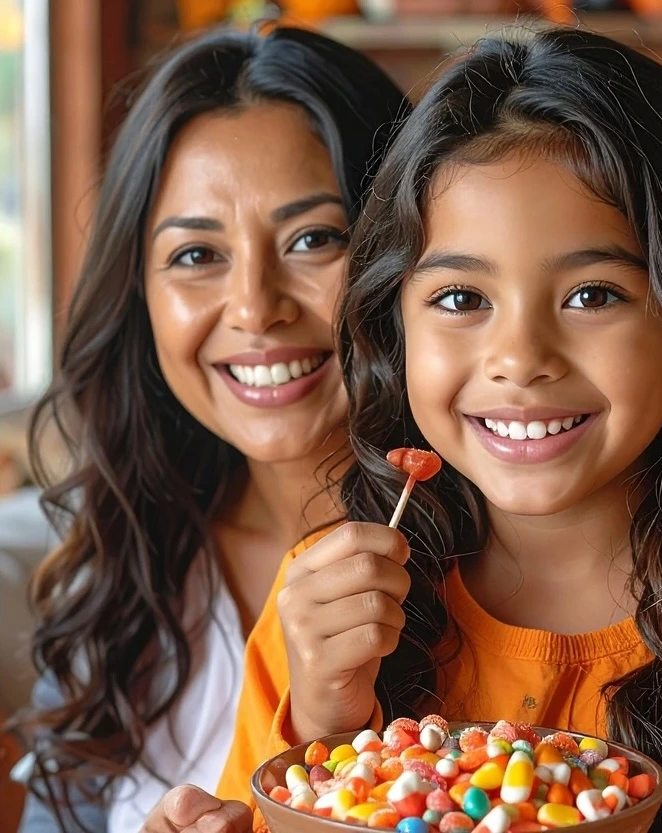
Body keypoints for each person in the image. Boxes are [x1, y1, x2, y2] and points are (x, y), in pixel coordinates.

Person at [211, 27, 662, 833]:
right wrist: (324, 723)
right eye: (462, 299)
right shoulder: (329, 606)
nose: (520, 359)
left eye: (592, 295)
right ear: (395, 325)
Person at [11, 25, 409, 833]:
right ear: (139, 296)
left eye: (313, 239)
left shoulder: (505, 571)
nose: (257, 307)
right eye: (197, 254)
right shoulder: (122, 573)